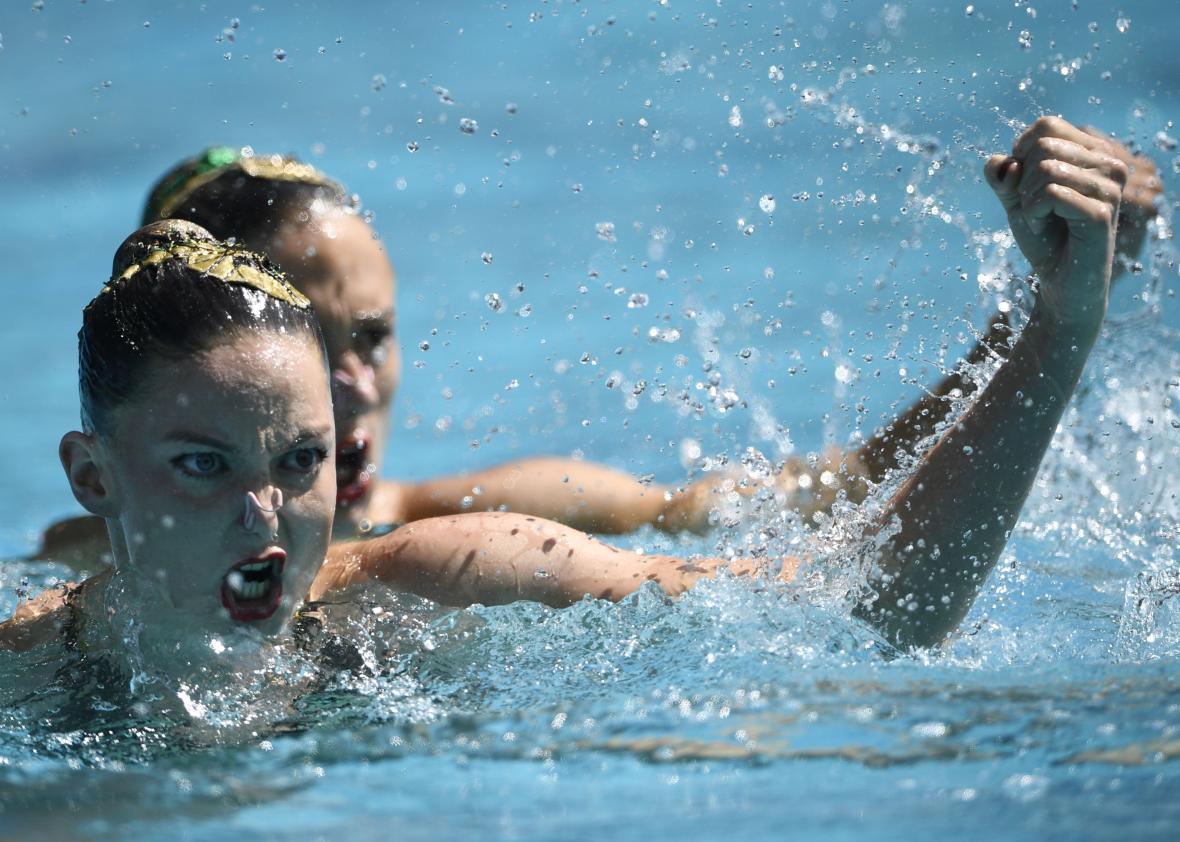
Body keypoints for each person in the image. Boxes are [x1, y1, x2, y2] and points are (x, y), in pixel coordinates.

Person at [0, 117, 1132, 675]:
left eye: (371, 340)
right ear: (97, 472)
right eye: (204, 457)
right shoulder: (49, 621)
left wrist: (1046, 323)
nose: (346, 390)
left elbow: (866, 587)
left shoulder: (456, 559)